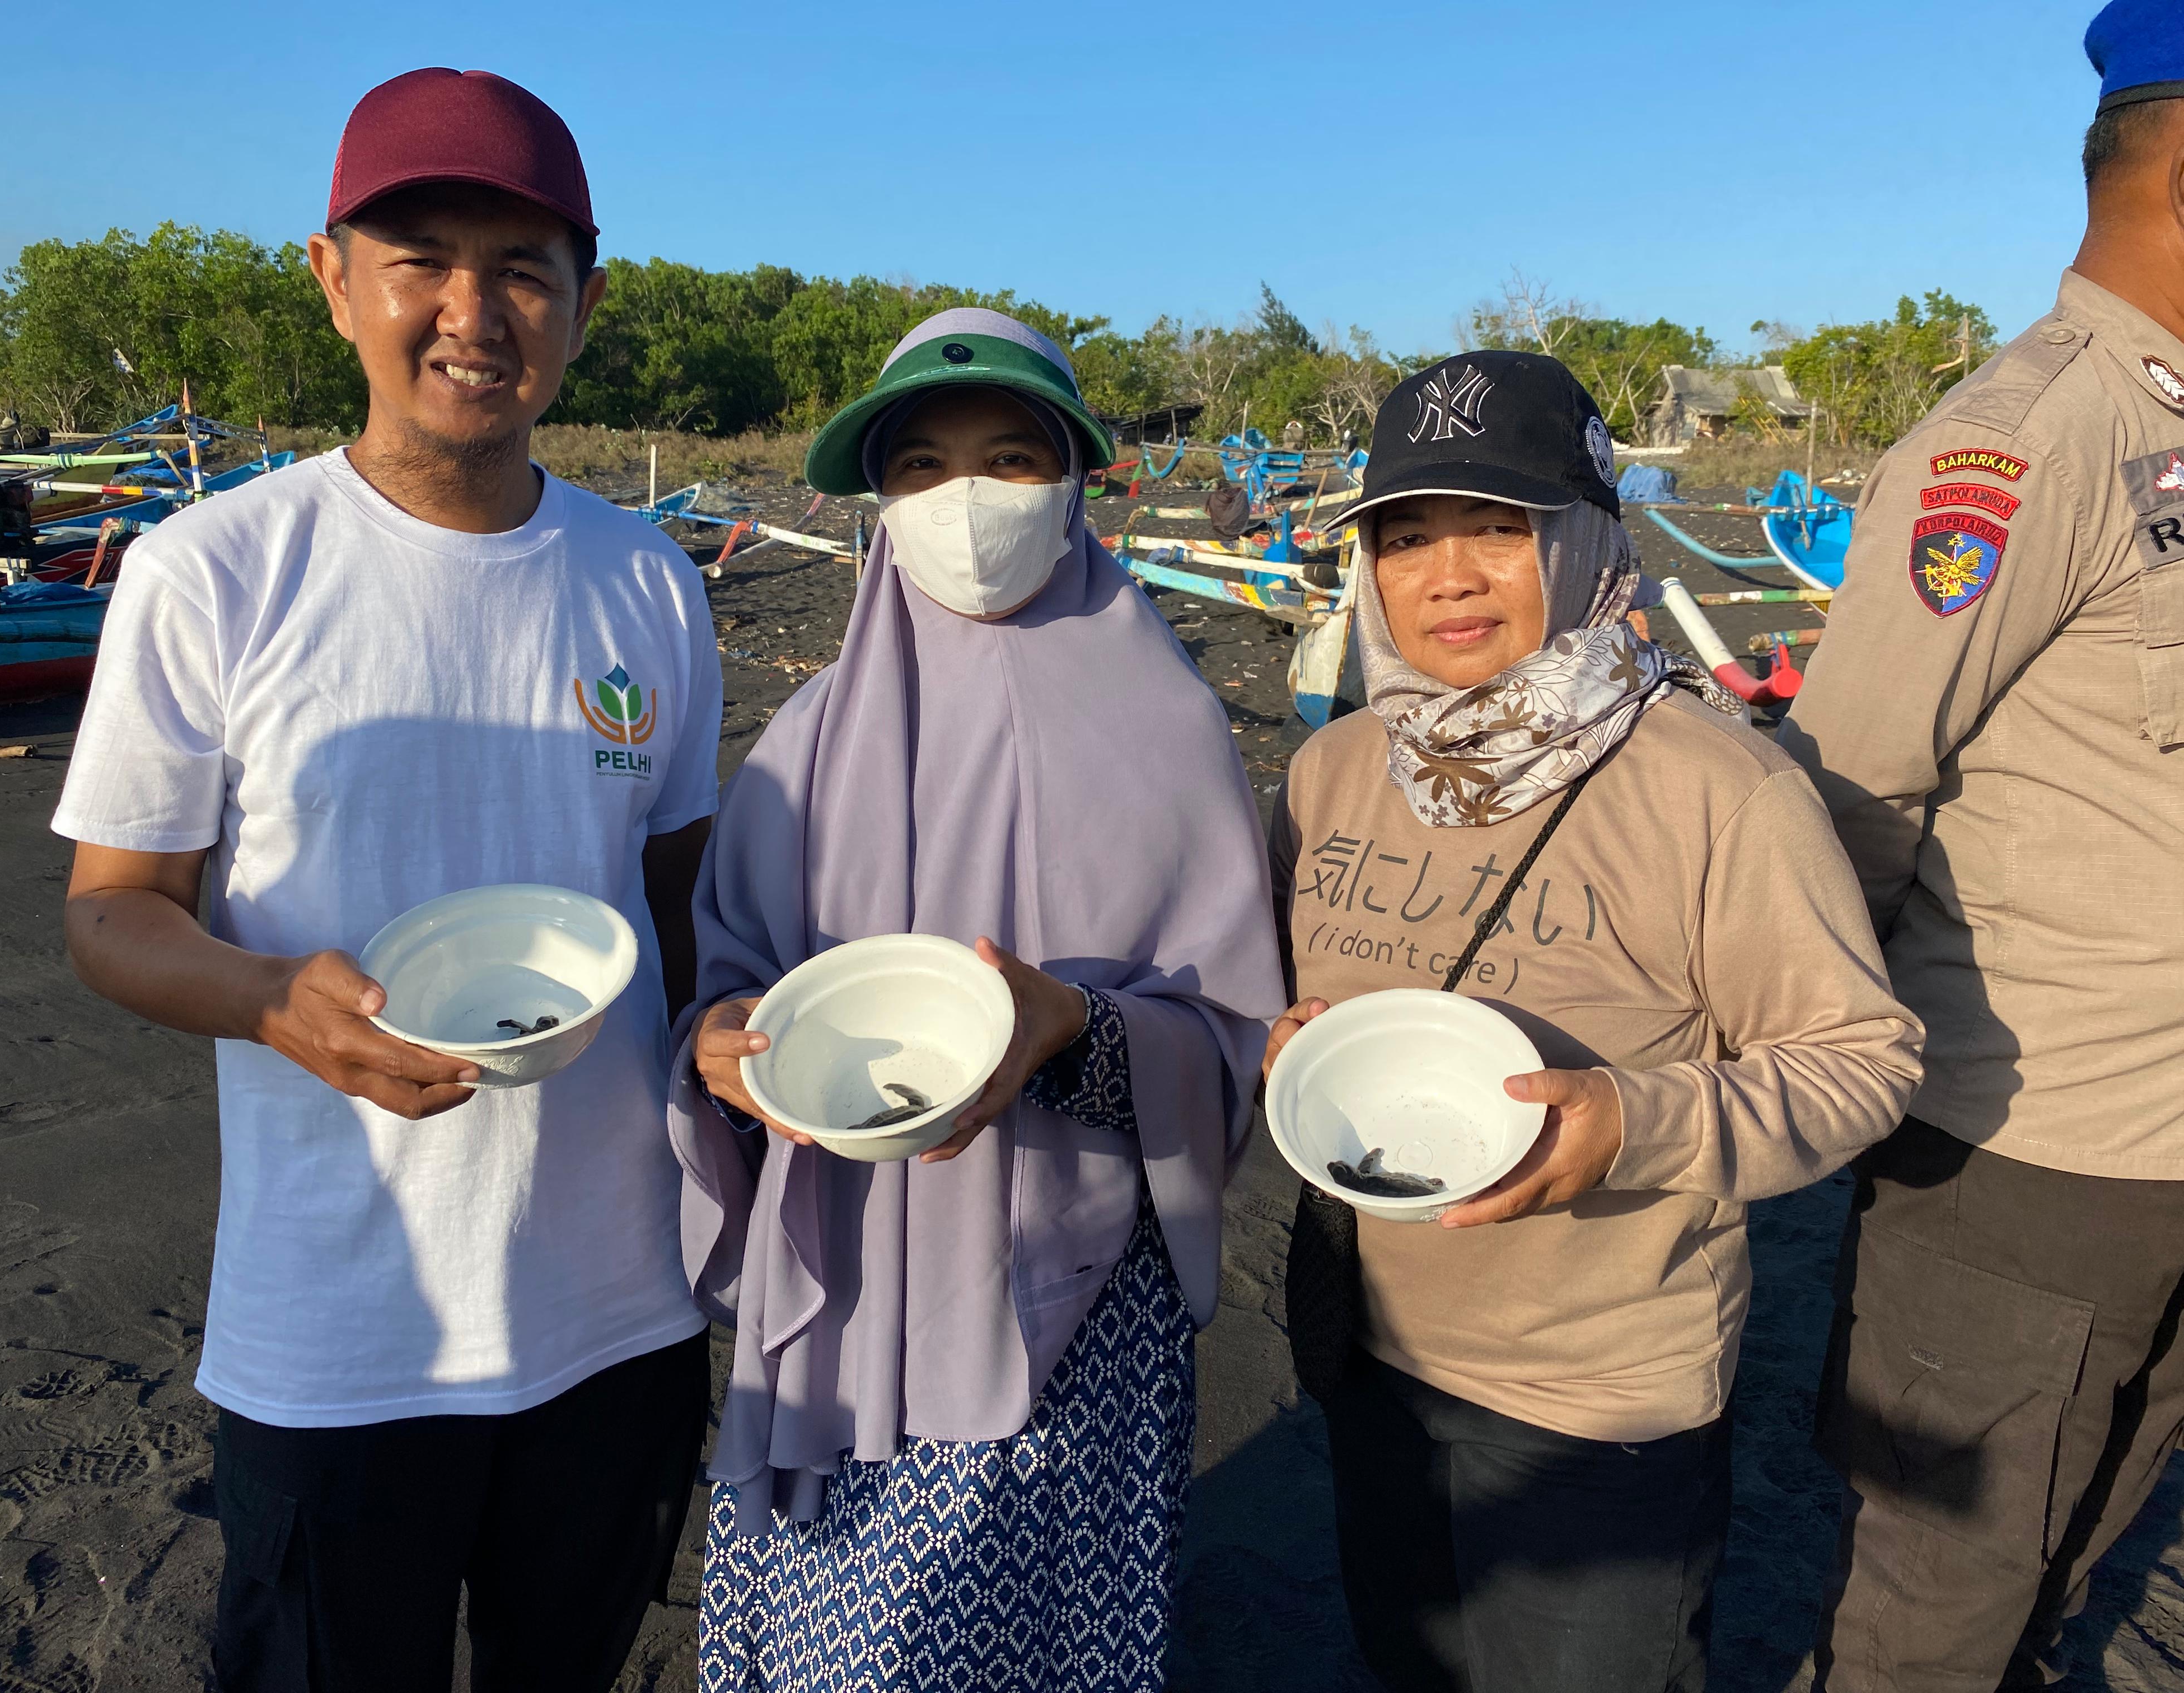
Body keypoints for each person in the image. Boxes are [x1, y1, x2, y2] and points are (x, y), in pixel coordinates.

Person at [52, 69, 721, 1691]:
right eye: (422, 254)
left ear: (586, 298)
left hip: (618, 1314)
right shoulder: (212, 572)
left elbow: (682, 910)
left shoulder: (649, 584)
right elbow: (113, 910)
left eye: (524, 269)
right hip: (344, 1331)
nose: (472, 311)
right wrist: (271, 998)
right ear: (332, 272)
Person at [1264, 351, 1924, 1693]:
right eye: (1403, 535)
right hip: (1371, 1349)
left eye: (1499, 528)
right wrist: (1290, 1047)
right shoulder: (1334, 770)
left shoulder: (1715, 786)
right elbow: (1289, 1003)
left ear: (1583, 539)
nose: (1445, 575)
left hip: (1593, 1402)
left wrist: (1636, 1118)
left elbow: (1865, 1061)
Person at [673, 307, 1287, 1690]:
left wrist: (1078, 1026)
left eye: (1011, 458)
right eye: (922, 467)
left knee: (1042, 1636)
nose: (967, 503)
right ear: (880, 504)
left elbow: (1240, 1041)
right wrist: (716, 1051)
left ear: (1076, 479)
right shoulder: (805, 739)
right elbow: (726, 987)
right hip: (846, 1276)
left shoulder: (1172, 727)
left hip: (1073, 1306)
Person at [1779, 8, 2184, 1686]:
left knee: (2079, 1545)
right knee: (1934, 1614)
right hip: (2030, 1154)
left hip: (2166, 1143)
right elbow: (1845, 795)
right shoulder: (2014, 450)